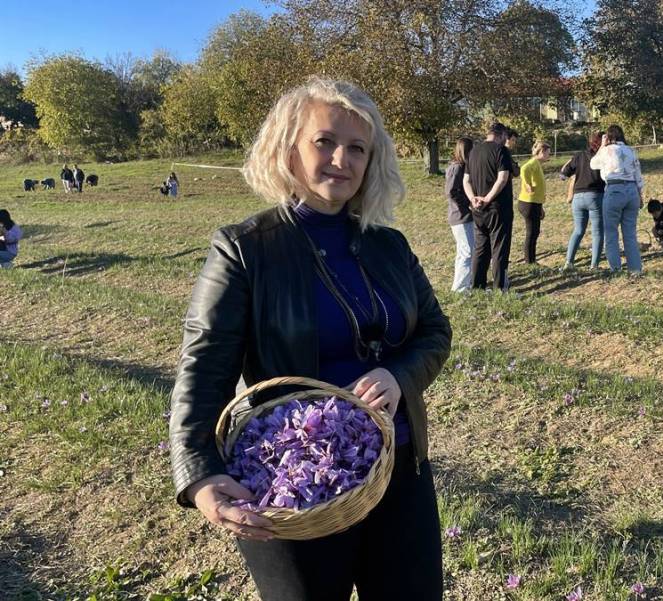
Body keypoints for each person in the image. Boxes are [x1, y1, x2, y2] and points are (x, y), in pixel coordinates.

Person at [168, 77, 452, 601]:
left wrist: (399, 373)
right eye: (325, 141)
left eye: (358, 148)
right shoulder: (244, 249)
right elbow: (203, 366)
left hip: (398, 468)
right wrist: (200, 473)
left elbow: (435, 332)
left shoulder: (389, 245)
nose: (341, 159)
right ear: (288, 148)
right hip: (293, 483)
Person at [463, 122, 514, 291]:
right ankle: (500, 288)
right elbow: (503, 178)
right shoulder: (501, 151)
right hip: (498, 207)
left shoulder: (473, 152)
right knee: (499, 247)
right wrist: (487, 199)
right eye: (505, 137)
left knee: (480, 248)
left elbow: (466, 181)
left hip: (478, 209)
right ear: (501, 135)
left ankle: (477, 286)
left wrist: (473, 199)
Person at [590, 125, 644, 274]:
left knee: (611, 232)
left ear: (608, 136)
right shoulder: (631, 150)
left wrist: (601, 146)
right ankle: (635, 269)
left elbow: (593, 164)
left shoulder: (607, 150)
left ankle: (616, 268)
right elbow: (638, 175)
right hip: (632, 190)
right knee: (630, 233)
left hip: (614, 189)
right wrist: (640, 196)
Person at [560, 131, 605, 269]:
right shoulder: (602, 156)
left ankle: (569, 262)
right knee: (597, 232)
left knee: (578, 230)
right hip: (595, 196)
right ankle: (594, 265)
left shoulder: (578, 156)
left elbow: (563, 175)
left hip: (578, 198)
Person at [444, 137, 474, 291]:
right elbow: (451, 192)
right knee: (467, 251)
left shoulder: (461, 167)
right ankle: (460, 289)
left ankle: (465, 283)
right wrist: (467, 205)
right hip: (459, 215)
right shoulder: (457, 168)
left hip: (463, 214)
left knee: (465, 250)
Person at [517, 141, 551, 265]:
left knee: (534, 232)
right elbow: (524, 169)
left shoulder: (538, 165)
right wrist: (527, 184)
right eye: (547, 153)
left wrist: (540, 207)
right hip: (528, 203)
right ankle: (530, 261)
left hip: (535, 203)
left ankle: (531, 259)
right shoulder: (533, 163)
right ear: (541, 152)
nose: (549, 156)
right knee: (532, 232)